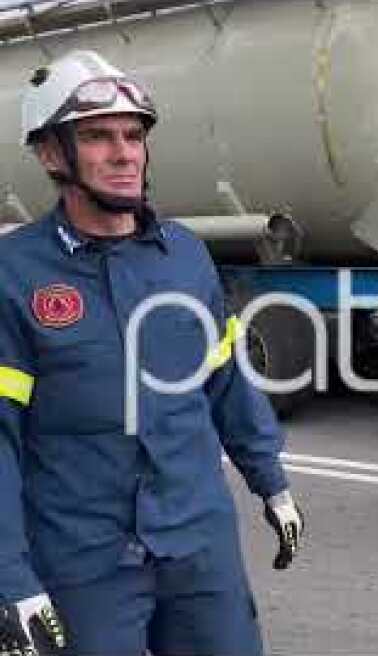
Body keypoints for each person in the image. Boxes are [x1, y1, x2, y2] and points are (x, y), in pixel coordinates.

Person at [0, 50, 304, 656]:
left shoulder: (186, 256)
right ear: (50, 153)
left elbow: (225, 381)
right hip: (83, 560)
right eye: (97, 136)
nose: (123, 153)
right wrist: (10, 579)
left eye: (133, 135)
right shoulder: (14, 275)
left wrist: (271, 482)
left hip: (198, 545)